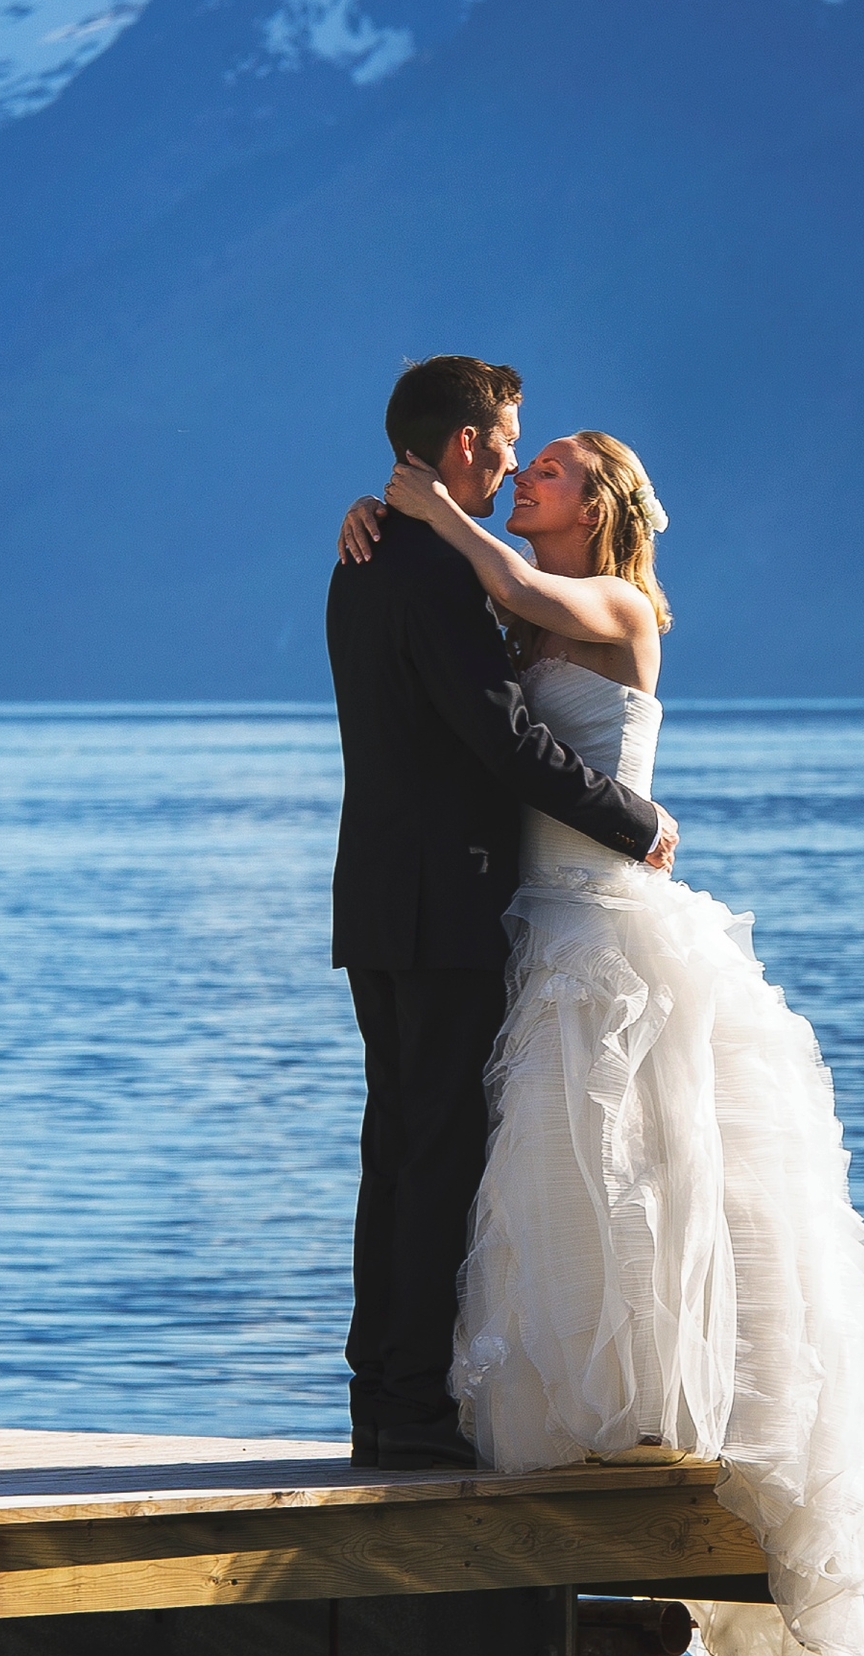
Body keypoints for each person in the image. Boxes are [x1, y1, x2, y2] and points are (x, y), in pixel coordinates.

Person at [337, 429, 864, 1656]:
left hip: (604, 925)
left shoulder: (610, 602)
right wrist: (378, 529)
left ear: (598, 508)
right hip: (526, 921)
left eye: (549, 471)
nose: (526, 479)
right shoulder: (517, 620)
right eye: (520, 467)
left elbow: (514, 587)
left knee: (625, 1162)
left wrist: (428, 504)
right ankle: (557, 1417)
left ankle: (642, 1420)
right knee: (539, 1177)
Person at [324, 355, 673, 1472]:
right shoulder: (427, 565)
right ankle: (413, 1407)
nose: (519, 465)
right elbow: (503, 739)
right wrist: (636, 821)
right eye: (513, 445)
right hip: (449, 901)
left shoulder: (370, 558)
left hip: (386, 899)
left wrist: (400, 505)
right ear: (465, 443)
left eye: (548, 464)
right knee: (432, 1159)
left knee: (400, 1151)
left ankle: (384, 1393)